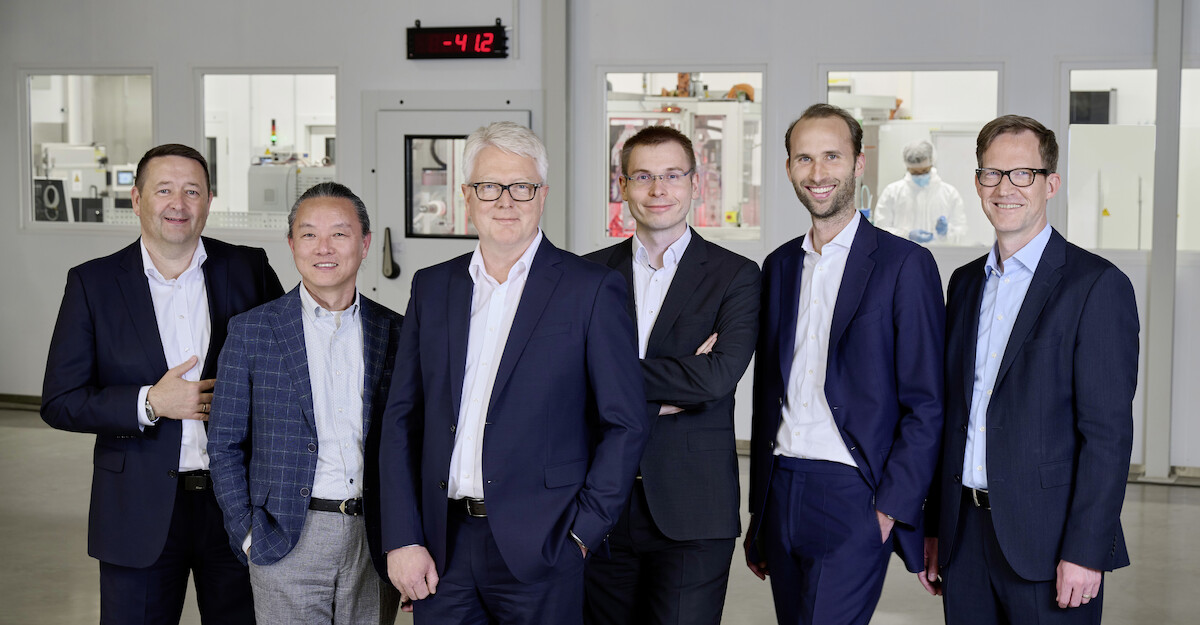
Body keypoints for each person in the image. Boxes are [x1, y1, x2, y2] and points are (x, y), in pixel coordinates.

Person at [378, 121, 650, 624]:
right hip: (441, 548)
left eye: (521, 186)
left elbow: (626, 423)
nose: (505, 200)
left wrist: (581, 534)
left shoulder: (590, 289)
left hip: (544, 547)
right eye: (489, 186)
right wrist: (403, 537)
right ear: (467, 196)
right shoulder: (433, 287)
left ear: (542, 195)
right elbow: (402, 420)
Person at [41, 143, 283, 624]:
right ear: (136, 199)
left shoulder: (248, 268)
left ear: (210, 200)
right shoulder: (92, 284)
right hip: (137, 511)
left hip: (235, 503)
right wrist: (150, 402)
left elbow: (287, 370)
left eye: (192, 191)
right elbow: (60, 401)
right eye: (164, 190)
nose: (179, 203)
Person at [919, 115, 1138, 624]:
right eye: (992, 174)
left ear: (1050, 184)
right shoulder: (966, 283)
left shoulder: (1096, 286)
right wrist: (935, 525)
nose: (1005, 188)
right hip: (964, 536)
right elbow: (955, 412)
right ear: (977, 184)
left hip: (1050, 543)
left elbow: (1107, 436)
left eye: (1023, 174)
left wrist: (1086, 550)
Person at [745, 104, 945, 625]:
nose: (818, 173)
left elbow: (926, 401)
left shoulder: (905, 265)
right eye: (804, 158)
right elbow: (770, 389)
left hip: (854, 493)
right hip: (781, 485)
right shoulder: (780, 266)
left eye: (832, 156)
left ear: (859, 164)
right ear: (788, 167)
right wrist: (760, 511)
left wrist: (890, 507)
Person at [583, 126, 761, 625]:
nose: (658, 189)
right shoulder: (588, 275)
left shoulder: (736, 275)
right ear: (623, 186)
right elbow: (568, 380)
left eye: (672, 175)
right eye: (643, 176)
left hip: (693, 509)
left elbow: (715, 380)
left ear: (694, 183)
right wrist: (672, 381)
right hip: (601, 503)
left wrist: (610, 383)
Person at [208, 182, 402, 624]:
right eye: (309, 234)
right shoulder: (252, 331)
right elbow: (223, 443)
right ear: (292, 243)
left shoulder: (395, 331)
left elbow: (409, 443)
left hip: (373, 539)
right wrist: (248, 532)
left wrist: (409, 540)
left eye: (340, 232)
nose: (324, 248)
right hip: (286, 534)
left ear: (365, 242)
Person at [873, 140, 968, 244]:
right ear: (907, 167)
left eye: (924, 171)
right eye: (915, 172)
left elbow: (962, 232)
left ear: (932, 162)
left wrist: (945, 232)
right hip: (902, 256)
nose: (920, 176)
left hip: (940, 257)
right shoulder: (892, 192)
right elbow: (880, 230)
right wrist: (906, 235)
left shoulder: (949, 194)